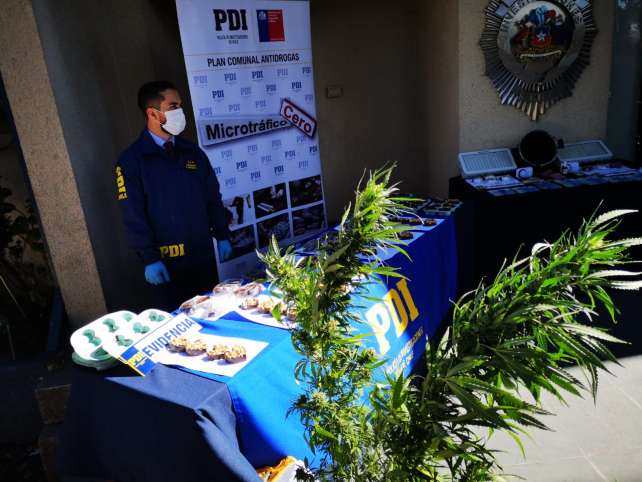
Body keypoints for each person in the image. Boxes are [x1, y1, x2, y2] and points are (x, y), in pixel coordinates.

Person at [116, 80, 232, 310]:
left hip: (202, 258)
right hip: (167, 265)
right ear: (153, 113)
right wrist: (149, 258)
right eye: (173, 106)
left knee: (212, 316)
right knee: (177, 323)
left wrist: (222, 234)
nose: (180, 111)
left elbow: (212, 196)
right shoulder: (132, 161)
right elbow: (132, 214)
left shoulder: (192, 152)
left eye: (180, 105)